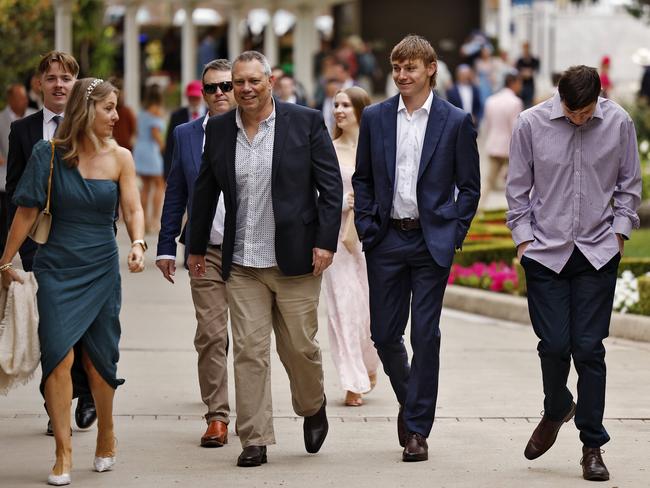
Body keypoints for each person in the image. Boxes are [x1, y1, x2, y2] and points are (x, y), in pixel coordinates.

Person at [188, 51, 342, 468]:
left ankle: (313, 404)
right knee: (249, 351)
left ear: (270, 81)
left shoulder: (305, 122)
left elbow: (331, 188)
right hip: (241, 264)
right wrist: (196, 247)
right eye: (238, 82)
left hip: (297, 260)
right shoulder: (220, 129)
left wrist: (326, 242)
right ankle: (254, 438)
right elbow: (205, 190)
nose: (245, 89)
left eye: (253, 81)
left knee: (300, 349)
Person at [0, 77, 146, 485]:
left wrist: (137, 243)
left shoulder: (121, 157)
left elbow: (133, 208)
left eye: (117, 107)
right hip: (56, 267)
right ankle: (62, 452)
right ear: (87, 109)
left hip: (101, 267)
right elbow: (26, 213)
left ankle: (106, 433)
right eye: (109, 108)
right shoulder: (47, 155)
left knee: (100, 363)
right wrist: (4, 262)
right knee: (58, 358)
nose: (117, 116)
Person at [506, 65, 642, 482]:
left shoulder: (618, 122)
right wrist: (524, 241)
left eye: (584, 113)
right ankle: (556, 407)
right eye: (570, 111)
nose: (577, 119)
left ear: (597, 100)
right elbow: (517, 190)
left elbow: (628, 185)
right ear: (559, 97)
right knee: (553, 345)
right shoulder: (529, 124)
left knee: (589, 349)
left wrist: (619, 234)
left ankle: (592, 445)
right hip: (545, 253)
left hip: (598, 252)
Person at [352, 34, 480, 463]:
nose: (402, 75)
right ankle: (412, 403)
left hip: (430, 242)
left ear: (430, 69)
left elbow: (470, 187)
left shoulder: (455, 121)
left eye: (410, 68)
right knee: (385, 334)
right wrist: (368, 226)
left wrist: (452, 232)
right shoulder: (375, 117)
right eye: (397, 68)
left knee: (425, 334)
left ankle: (417, 431)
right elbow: (363, 177)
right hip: (386, 238)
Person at [5, 51, 97, 435]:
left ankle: (89, 391)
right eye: (52, 77)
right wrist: (9, 253)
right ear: (39, 84)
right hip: (37, 245)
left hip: (84, 242)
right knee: (49, 328)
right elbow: (13, 191)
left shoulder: (91, 124)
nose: (59, 84)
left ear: (76, 84)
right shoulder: (23, 131)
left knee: (86, 325)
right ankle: (55, 403)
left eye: (67, 78)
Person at [156, 59, 235, 447]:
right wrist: (166, 245)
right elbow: (176, 193)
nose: (219, 94)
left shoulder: (260, 130)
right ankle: (217, 417)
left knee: (252, 340)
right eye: (211, 88)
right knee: (210, 334)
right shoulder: (187, 135)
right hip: (205, 251)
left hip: (253, 251)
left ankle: (255, 414)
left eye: (226, 86)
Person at [323, 86, 379, 407]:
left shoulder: (377, 151)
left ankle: (369, 366)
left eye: (346, 105)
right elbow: (315, 195)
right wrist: (343, 201)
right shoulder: (328, 150)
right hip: (338, 241)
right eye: (336, 105)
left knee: (369, 311)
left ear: (361, 110)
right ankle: (352, 380)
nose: (339, 110)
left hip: (371, 240)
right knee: (343, 309)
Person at [479, 73, 523, 210]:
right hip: (509, 148)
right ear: (513, 83)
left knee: (488, 182)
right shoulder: (515, 102)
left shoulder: (491, 100)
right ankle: (514, 212)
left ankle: (477, 210)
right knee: (516, 184)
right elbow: (516, 129)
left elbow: (487, 124)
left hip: (493, 144)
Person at [0, 84, 35, 250]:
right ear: (11, 100)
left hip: (31, 178)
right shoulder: (1, 119)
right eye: (20, 97)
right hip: (5, 177)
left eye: (25, 97)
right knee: (6, 218)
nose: (25, 100)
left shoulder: (34, 116)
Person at [133, 84, 165, 234]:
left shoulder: (142, 112)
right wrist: (165, 146)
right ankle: (153, 220)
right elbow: (155, 134)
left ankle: (143, 222)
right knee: (159, 184)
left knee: (145, 187)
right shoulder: (156, 112)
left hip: (140, 148)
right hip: (151, 150)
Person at [163, 81, 205, 179]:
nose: (194, 100)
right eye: (191, 97)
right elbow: (170, 145)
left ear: (203, 96)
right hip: (184, 166)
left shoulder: (211, 113)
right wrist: (167, 172)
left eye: (196, 97)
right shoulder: (177, 116)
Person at [515, 41, 540, 108]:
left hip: (530, 85)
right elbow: (518, 71)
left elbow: (535, 71)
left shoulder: (534, 60)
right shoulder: (520, 60)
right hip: (522, 84)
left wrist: (525, 72)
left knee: (529, 104)